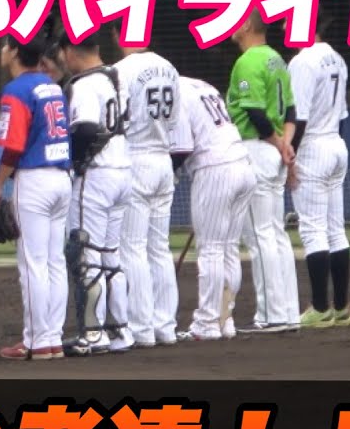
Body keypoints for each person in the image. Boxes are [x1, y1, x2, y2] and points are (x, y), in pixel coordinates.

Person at [0, 38, 73, 361]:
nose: (2, 51)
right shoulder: (52, 86)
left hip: (35, 180)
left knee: (33, 264)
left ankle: (37, 341)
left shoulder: (17, 90)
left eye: (5, 46)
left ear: (14, 52)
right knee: (54, 262)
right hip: (61, 178)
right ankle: (52, 338)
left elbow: (13, 147)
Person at [58, 34, 134, 356]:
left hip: (97, 175)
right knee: (110, 256)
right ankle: (120, 331)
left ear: (69, 51)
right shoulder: (115, 77)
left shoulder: (85, 85)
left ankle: (92, 333)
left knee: (85, 254)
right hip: (123, 171)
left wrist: (73, 162)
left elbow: (86, 129)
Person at [226, 11, 301, 332]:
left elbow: (255, 113)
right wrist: (285, 145)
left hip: (257, 149)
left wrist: (277, 143)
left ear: (246, 26)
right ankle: (288, 312)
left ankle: (271, 315)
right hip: (274, 151)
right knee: (276, 234)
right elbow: (292, 112)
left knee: (260, 236)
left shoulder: (248, 61)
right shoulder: (277, 59)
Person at [170, 76, 256, 340]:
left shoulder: (176, 91)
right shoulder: (203, 85)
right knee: (228, 248)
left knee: (210, 249)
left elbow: (182, 148)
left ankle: (207, 322)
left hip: (215, 168)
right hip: (243, 164)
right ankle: (225, 319)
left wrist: (169, 174)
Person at [112, 30, 182, 347]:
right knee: (159, 247)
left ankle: (141, 327)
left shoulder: (120, 71)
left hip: (136, 157)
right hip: (163, 158)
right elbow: (175, 120)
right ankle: (165, 325)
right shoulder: (169, 67)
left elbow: (117, 121)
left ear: (119, 34)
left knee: (132, 247)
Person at [288, 20, 350, 327]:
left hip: (313, 147)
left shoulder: (303, 61)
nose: (286, 27)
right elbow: (342, 117)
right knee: (335, 229)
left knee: (313, 230)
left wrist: (289, 157)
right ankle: (341, 308)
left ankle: (319, 308)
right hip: (336, 144)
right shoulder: (336, 57)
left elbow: (299, 118)